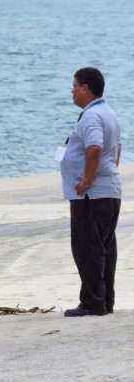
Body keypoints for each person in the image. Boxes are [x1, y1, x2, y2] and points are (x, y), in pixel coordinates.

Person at [61, 67, 122, 317]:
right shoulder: (108, 113)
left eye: (74, 87)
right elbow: (116, 151)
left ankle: (92, 302)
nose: (72, 92)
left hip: (92, 194)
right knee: (104, 247)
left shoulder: (92, 116)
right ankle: (104, 300)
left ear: (85, 88)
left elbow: (95, 148)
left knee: (88, 247)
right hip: (107, 190)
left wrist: (87, 180)